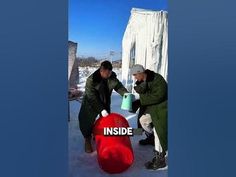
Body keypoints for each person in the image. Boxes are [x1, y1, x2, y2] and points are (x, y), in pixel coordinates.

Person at [78, 60, 128, 153]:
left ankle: (102, 136)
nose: (108, 75)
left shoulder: (112, 78)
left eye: (110, 73)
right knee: (86, 121)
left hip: (105, 101)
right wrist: (101, 109)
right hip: (90, 103)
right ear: (101, 70)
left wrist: (126, 95)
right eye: (106, 73)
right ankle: (87, 139)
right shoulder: (91, 80)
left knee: (106, 121)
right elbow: (91, 97)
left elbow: (119, 87)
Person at [130, 64, 168, 170]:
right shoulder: (142, 81)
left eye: (135, 75)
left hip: (162, 108)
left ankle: (160, 159)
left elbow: (159, 96)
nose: (134, 77)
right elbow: (143, 94)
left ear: (140, 72)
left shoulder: (157, 79)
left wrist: (140, 100)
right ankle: (151, 138)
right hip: (151, 107)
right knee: (143, 120)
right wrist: (133, 103)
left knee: (158, 130)